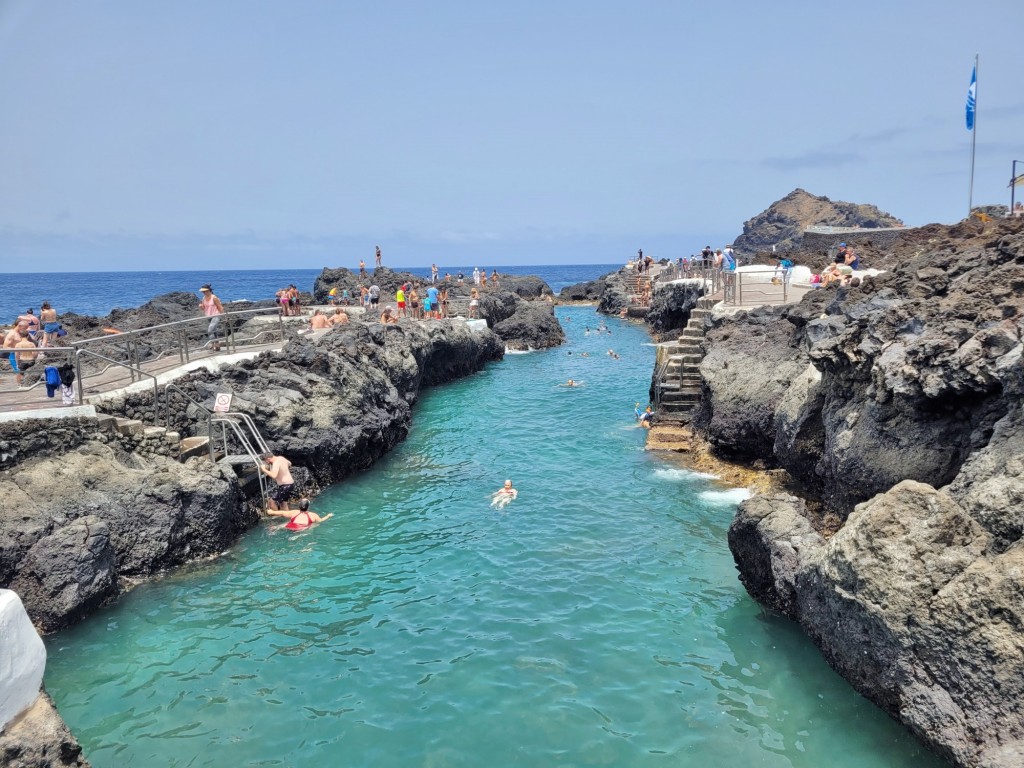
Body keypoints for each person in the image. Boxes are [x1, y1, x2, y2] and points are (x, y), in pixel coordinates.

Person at [265, 498, 333, 529]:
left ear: (299, 506)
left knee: (285, 524)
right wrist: (328, 516)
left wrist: (272, 512)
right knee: (313, 526)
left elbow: (283, 513)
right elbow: (321, 521)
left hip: (291, 526)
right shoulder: (313, 515)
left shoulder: (294, 512)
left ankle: (276, 528)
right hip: (302, 528)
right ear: (308, 507)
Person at [199, 284, 225, 351]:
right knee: (214, 331)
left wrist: (224, 316)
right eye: (203, 292)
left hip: (216, 315)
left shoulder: (214, 298)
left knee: (210, 330)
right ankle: (217, 346)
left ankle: (212, 345)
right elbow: (204, 308)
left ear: (208, 291)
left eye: (204, 291)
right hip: (208, 316)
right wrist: (201, 307)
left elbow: (220, 307)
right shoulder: (203, 298)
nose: (203, 293)